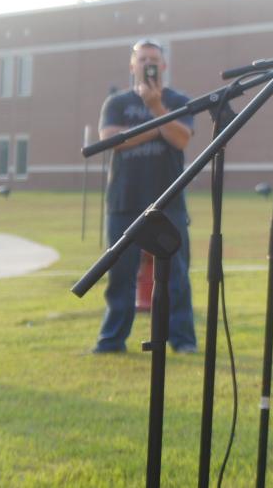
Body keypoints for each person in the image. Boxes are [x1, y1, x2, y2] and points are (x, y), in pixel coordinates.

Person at [91, 39, 197, 354]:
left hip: (169, 201)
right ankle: (111, 341)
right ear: (132, 65)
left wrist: (156, 109)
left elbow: (181, 139)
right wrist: (160, 126)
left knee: (177, 276)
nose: (148, 64)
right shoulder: (117, 102)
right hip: (124, 201)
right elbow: (111, 140)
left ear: (163, 66)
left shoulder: (179, 99)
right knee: (120, 276)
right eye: (142, 59)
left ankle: (183, 340)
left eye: (154, 59)